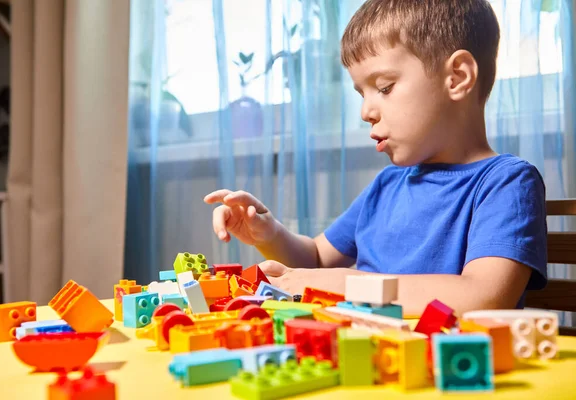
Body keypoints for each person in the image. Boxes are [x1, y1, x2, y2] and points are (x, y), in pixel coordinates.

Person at [204, 0, 547, 317]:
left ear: (456, 77)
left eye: (384, 87)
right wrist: (269, 233)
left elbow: (483, 296)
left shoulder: (506, 183)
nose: (366, 111)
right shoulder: (386, 186)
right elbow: (318, 258)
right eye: (361, 93)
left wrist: (344, 285)